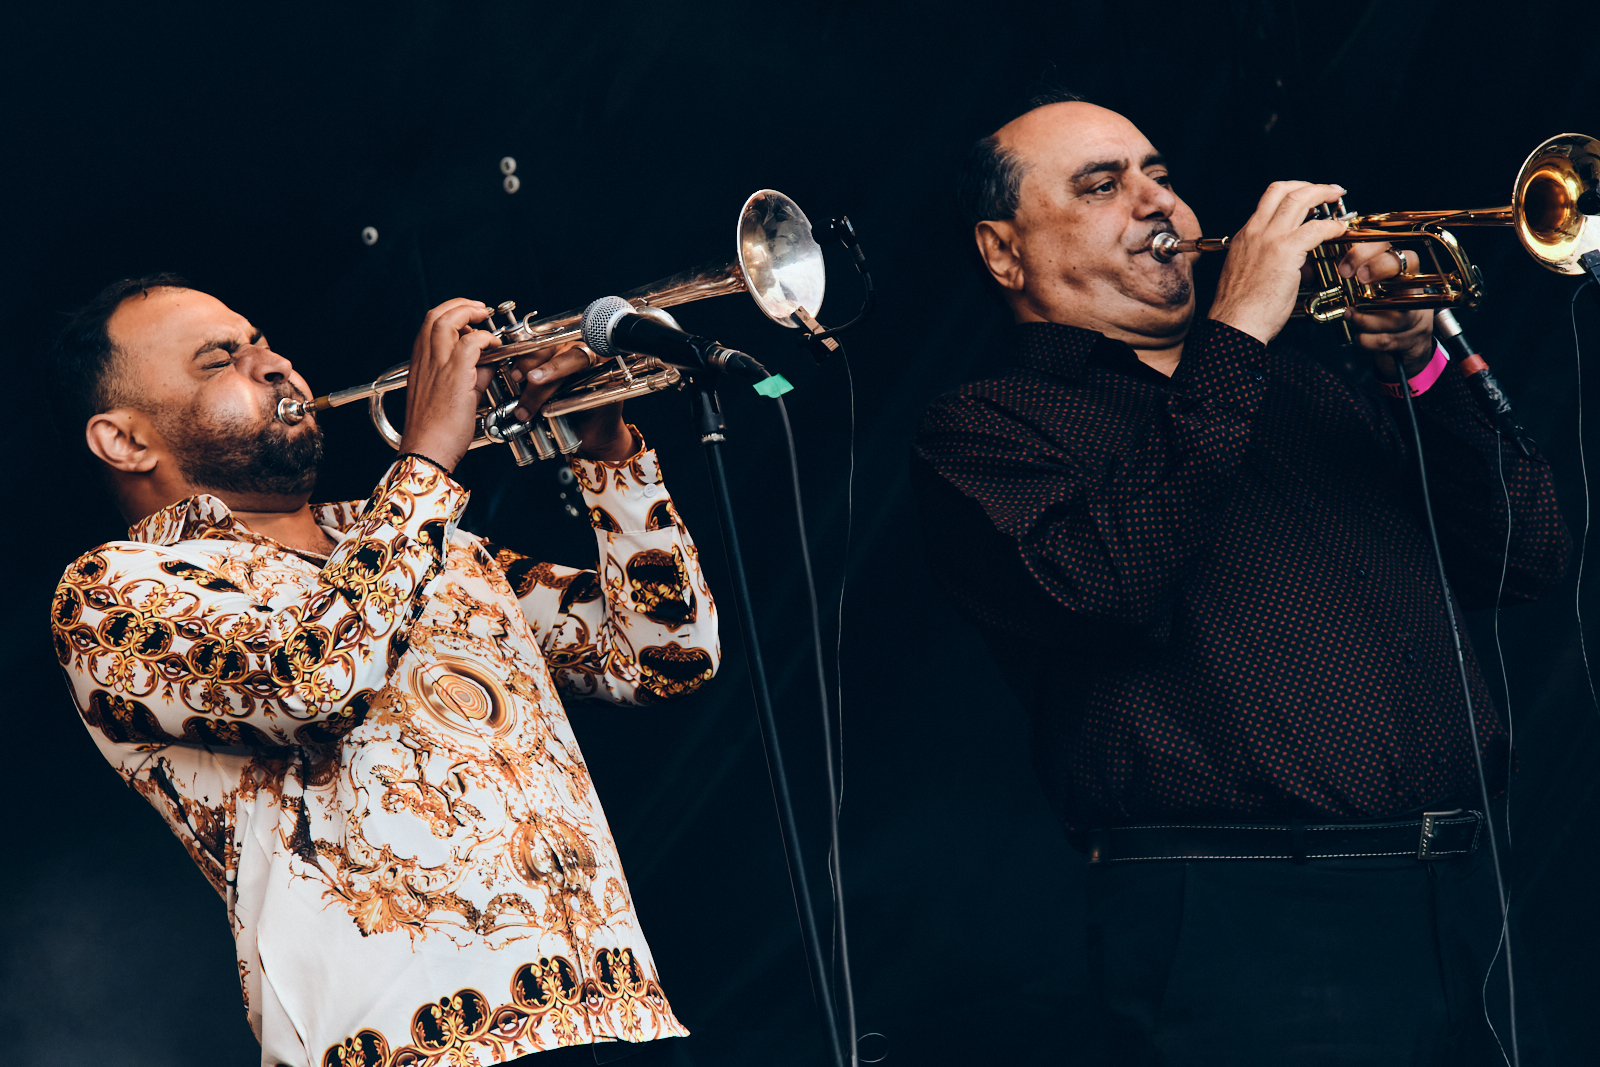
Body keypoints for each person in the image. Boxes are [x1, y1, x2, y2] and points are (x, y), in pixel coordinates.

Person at [911, 93, 1572, 1064]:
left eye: (1160, 175)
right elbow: (1104, 584)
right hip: (1243, 922)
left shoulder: (1303, 386)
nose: (1158, 203)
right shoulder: (986, 426)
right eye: (1101, 185)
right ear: (1003, 252)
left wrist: (1418, 368)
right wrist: (1236, 336)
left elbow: (1528, 556)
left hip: (1464, 904)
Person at [48, 276, 719, 1067]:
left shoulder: (439, 548)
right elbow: (311, 684)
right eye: (220, 360)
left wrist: (608, 453)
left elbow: (663, 655)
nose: (274, 364)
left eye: (262, 342)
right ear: (125, 441)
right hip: (412, 1047)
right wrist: (427, 458)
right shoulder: (112, 591)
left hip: (615, 1016)